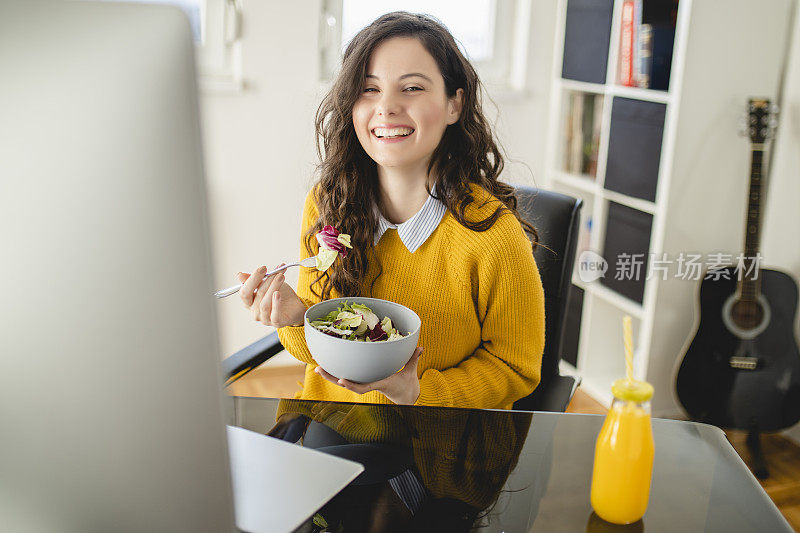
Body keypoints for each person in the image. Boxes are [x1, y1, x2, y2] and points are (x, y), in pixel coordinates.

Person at [236, 12, 545, 409]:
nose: (386, 108)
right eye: (369, 89)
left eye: (412, 88)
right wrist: (297, 318)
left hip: (436, 443)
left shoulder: (492, 234)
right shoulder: (328, 204)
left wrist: (417, 394)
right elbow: (321, 357)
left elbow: (516, 368)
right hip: (331, 423)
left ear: (454, 104)